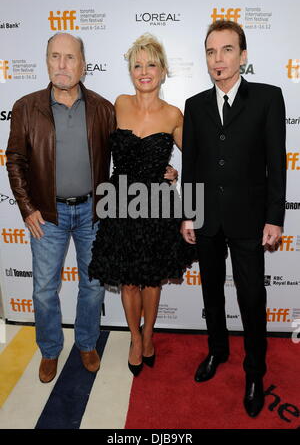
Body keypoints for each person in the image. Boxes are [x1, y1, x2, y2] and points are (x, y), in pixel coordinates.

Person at [181, 20, 286, 417]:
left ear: (243, 56)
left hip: (249, 219)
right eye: (211, 51)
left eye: (226, 50)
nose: (218, 59)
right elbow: (189, 166)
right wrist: (189, 214)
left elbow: (277, 165)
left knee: (252, 298)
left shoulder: (268, 99)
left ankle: (255, 370)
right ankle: (217, 351)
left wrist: (274, 217)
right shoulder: (195, 105)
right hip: (206, 218)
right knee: (211, 291)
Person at [6, 32, 116, 383]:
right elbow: (15, 160)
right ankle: (50, 350)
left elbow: (123, 158)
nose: (62, 65)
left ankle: (86, 342)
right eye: (55, 56)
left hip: (92, 214)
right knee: (43, 288)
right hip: (47, 215)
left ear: (83, 64)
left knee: (93, 283)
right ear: (47, 60)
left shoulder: (103, 108)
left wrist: (158, 169)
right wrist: (27, 208)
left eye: (70, 57)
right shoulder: (26, 107)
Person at [89, 33, 195, 376]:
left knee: (151, 280)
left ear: (163, 71)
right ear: (130, 71)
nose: (144, 71)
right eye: (137, 65)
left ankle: (149, 335)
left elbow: (200, 161)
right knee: (128, 281)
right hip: (121, 203)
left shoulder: (174, 114)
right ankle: (135, 338)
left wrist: (179, 183)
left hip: (158, 206)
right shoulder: (117, 104)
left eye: (151, 64)